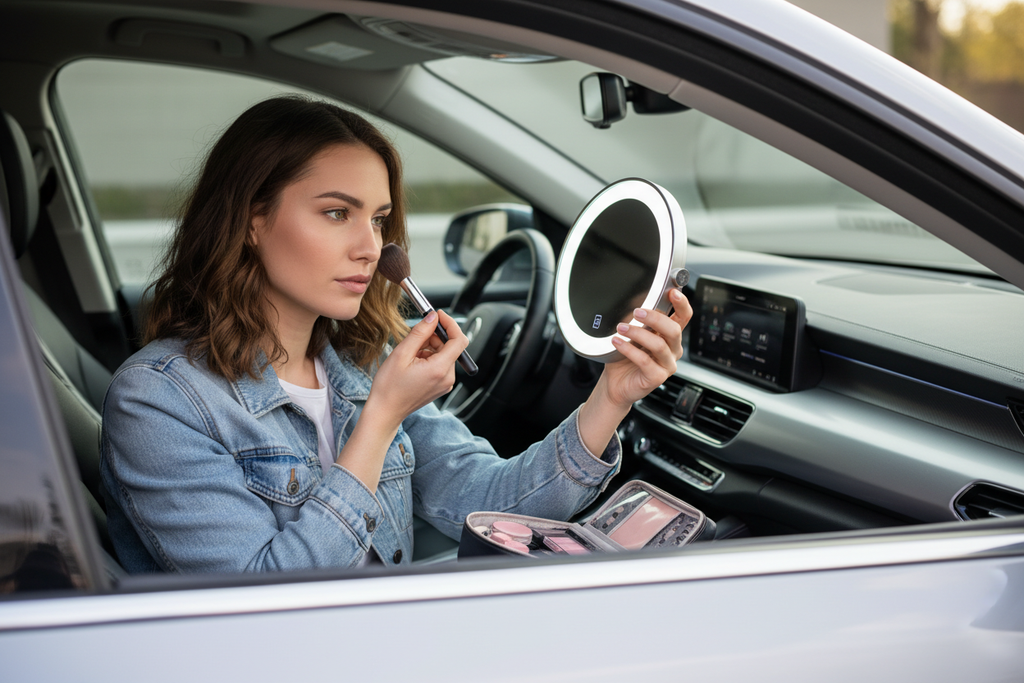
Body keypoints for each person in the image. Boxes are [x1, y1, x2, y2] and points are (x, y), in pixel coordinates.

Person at [99, 95, 692, 574]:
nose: (369, 247)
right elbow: (266, 602)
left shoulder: (359, 362)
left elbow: (491, 504)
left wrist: (611, 395)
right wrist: (381, 418)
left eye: (379, 219)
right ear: (252, 219)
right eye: (337, 213)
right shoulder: (159, 402)